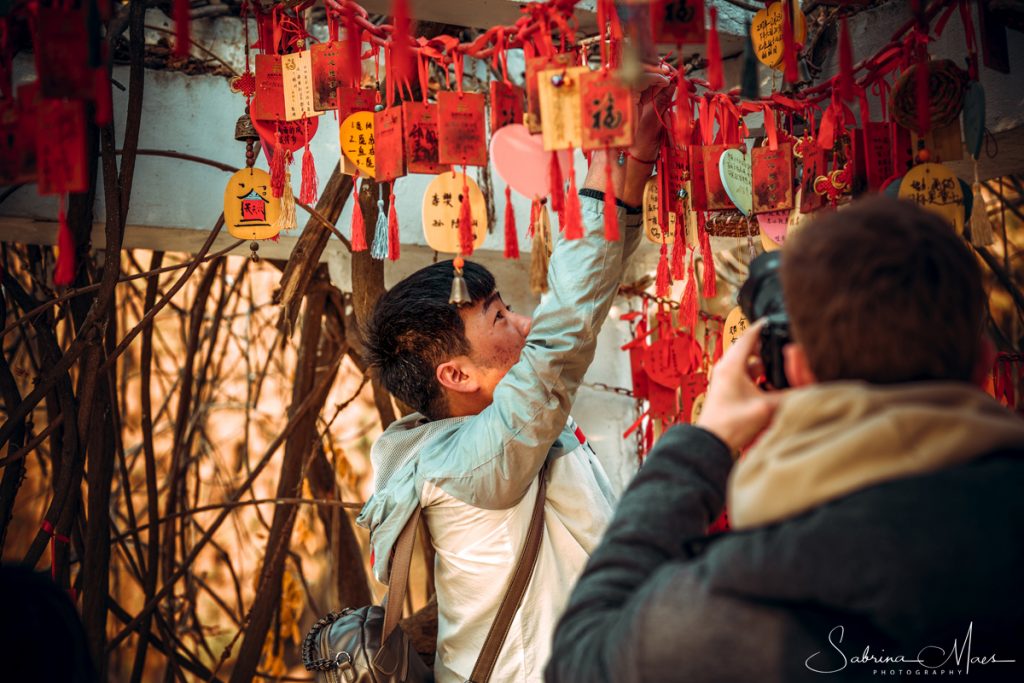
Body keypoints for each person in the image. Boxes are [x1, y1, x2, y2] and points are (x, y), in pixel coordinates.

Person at [546, 197, 1024, 683]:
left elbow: (580, 658)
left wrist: (705, 441)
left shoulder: (727, 605)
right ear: (983, 363)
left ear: (793, 368)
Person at [358, 75, 672, 683]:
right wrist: (616, 163)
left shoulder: (485, 439)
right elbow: (558, 344)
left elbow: (575, 313)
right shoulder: (466, 468)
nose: (523, 323)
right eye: (499, 316)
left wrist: (632, 170)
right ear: (455, 373)